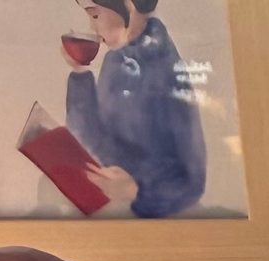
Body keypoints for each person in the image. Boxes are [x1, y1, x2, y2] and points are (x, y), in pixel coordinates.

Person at [62, 1, 206, 218]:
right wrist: (80, 75)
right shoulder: (117, 59)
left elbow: (191, 181)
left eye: (94, 16)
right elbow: (91, 139)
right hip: (107, 200)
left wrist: (135, 191)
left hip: (156, 218)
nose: (93, 29)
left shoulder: (166, 70)